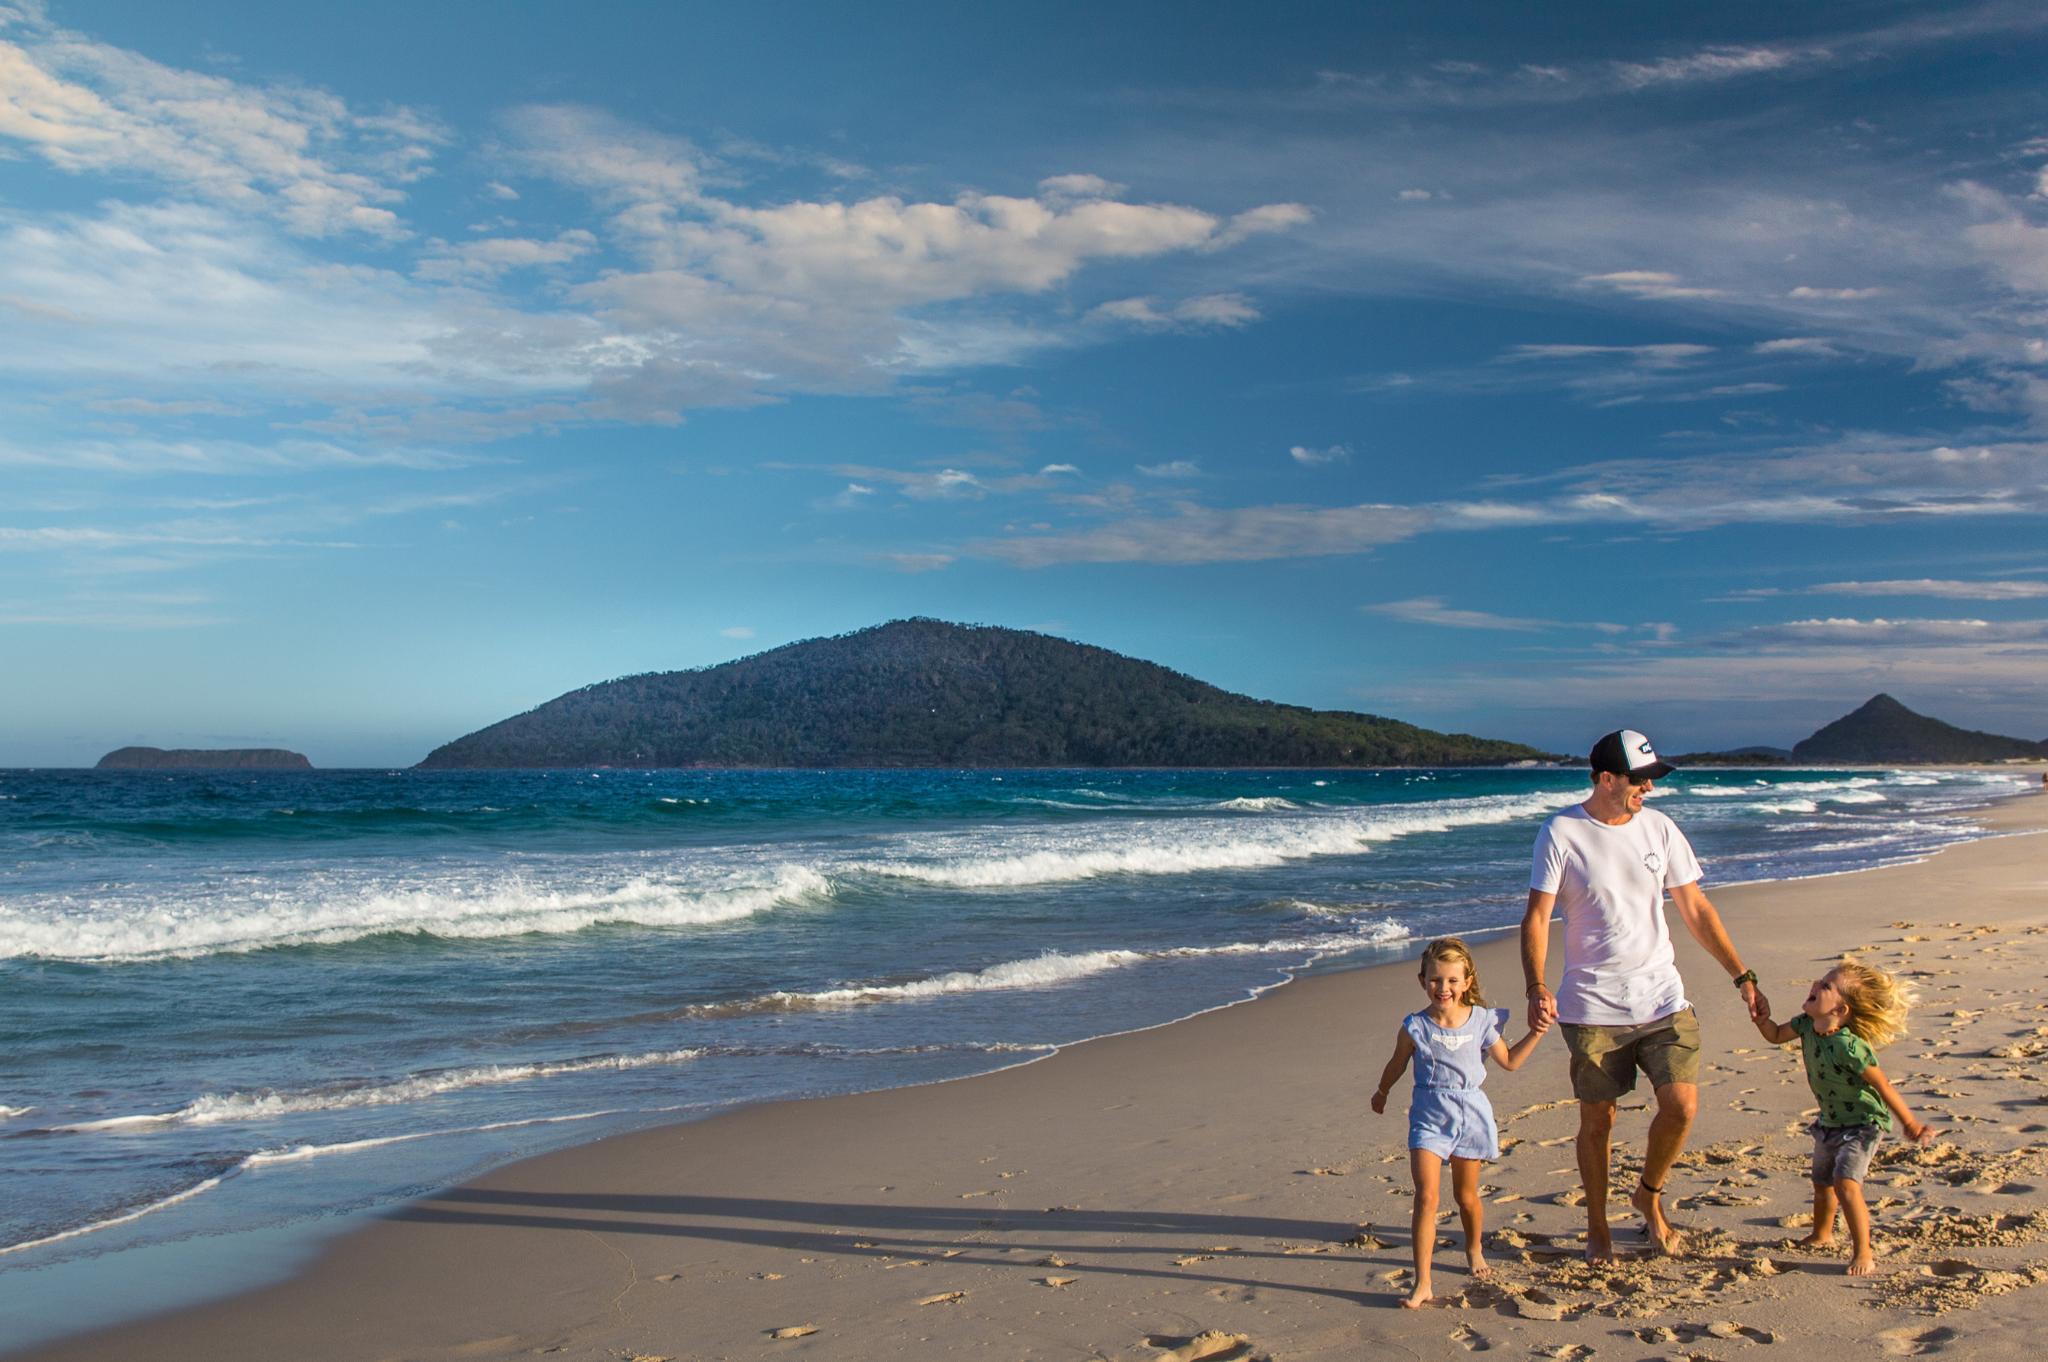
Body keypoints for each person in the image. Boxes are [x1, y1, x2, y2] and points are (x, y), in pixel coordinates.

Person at [1520, 729, 1769, 1260]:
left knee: (1681, 1106)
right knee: (1598, 1122)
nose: (1649, 790)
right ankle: (1597, 1225)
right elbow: (1538, 916)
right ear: (1606, 779)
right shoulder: (1561, 832)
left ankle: (1648, 1195)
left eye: (1652, 779)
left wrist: (1741, 974)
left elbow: (1696, 909)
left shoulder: (1659, 828)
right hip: (1591, 1007)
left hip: (1662, 997)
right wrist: (1536, 984)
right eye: (1640, 780)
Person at [1371, 937, 1550, 1308]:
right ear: (1422, 981)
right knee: (1426, 1197)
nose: (1444, 988)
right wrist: (1382, 1091)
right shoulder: (1415, 1026)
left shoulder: (1482, 1020)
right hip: (1428, 1115)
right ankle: (1423, 1282)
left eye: (1452, 981)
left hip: (1469, 1114)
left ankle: (1474, 1248)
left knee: (1466, 1197)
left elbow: (1510, 1062)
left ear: (1467, 981)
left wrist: (1537, 1033)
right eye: (1435, 980)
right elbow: (1397, 1063)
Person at [1753, 960, 1937, 1274]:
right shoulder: (1804, 1025)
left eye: (1826, 986)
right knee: (1822, 1182)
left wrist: (1910, 1123)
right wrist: (1761, 1018)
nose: (1815, 984)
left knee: (1845, 1183)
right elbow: (1774, 1035)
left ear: (1841, 1011)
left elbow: (1883, 1085)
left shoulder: (1850, 1048)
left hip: (1863, 1124)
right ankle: (1821, 1235)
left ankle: (1863, 1252)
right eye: (1821, 981)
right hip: (1830, 1120)